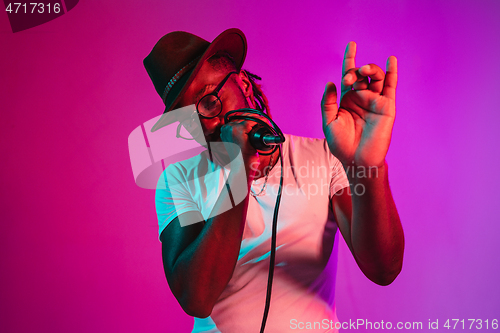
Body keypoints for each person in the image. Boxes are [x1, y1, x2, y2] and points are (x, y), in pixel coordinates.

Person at [144, 28, 404, 332]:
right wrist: (239, 169)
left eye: (210, 100)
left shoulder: (323, 158)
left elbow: (384, 269)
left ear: (241, 83)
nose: (207, 124)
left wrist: (367, 165)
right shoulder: (178, 180)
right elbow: (196, 298)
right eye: (188, 117)